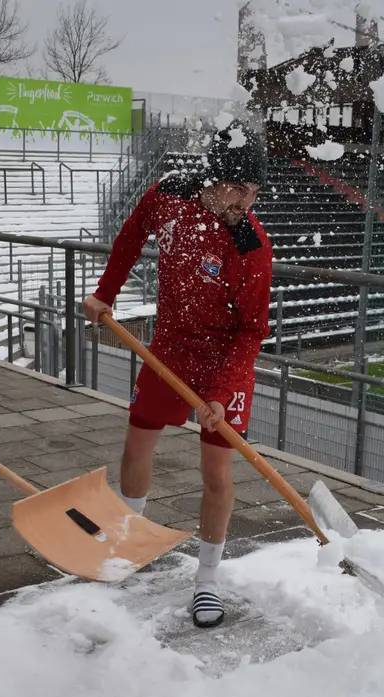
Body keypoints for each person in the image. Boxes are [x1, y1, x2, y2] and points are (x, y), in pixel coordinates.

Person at [85, 124, 273, 628]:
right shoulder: (168, 195)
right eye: (238, 189)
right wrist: (107, 292)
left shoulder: (251, 244)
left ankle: (207, 581)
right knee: (136, 445)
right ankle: (126, 541)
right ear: (213, 177)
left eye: (253, 192)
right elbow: (129, 238)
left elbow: (252, 332)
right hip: (169, 350)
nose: (245, 202)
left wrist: (219, 391)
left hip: (224, 363)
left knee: (215, 472)